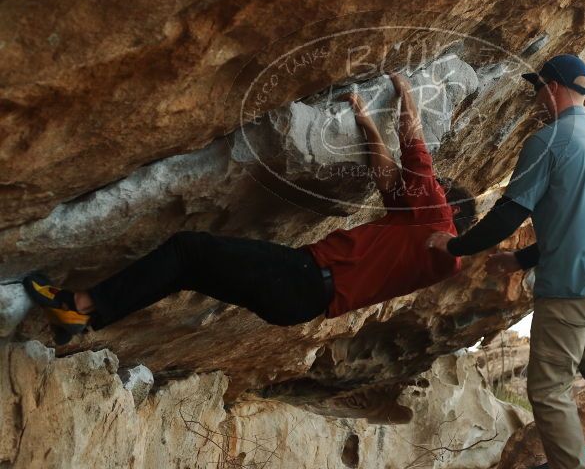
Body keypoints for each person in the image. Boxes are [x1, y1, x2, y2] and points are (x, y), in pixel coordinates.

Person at [24, 74, 477, 344]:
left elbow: (414, 148)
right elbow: (387, 177)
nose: (431, 187)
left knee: (186, 250)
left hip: (302, 277)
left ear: (446, 205)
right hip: (298, 301)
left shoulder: (436, 219)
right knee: (185, 267)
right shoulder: (425, 247)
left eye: (437, 188)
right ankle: (79, 315)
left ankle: (80, 307)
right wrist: (363, 121)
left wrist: (404, 89)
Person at [428, 54, 585, 469]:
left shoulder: (547, 141)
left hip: (573, 288)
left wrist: (453, 244)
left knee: (548, 391)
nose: (536, 100)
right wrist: (521, 259)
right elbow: (580, 222)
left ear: (553, 87)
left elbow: (509, 212)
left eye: (538, 89)